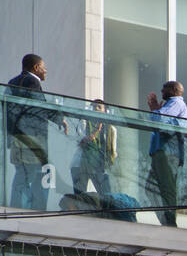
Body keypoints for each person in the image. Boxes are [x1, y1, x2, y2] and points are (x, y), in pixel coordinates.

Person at [6, 54, 59, 210]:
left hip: (18, 139)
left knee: (24, 173)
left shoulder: (12, 83)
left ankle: (22, 206)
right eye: (44, 67)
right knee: (38, 173)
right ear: (36, 68)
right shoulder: (32, 82)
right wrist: (58, 117)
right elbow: (39, 108)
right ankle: (35, 208)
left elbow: (9, 112)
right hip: (31, 139)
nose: (46, 71)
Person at [147, 80, 187, 226]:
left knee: (167, 188)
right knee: (150, 188)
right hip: (161, 151)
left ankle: (170, 222)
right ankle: (166, 220)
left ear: (174, 90)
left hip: (168, 152)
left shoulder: (176, 102)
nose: (161, 91)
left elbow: (157, 119)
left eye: (164, 89)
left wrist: (153, 109)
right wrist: (156, 109)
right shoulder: (168, 105)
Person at [72, 99, 116, 197]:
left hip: (100, 165)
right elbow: (82, 141)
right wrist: (96, 131)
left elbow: (112, 151)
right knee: (79, 196)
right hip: (81, 164)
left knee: (106, 195)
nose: (96, 109)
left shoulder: (111, 129)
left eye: (99, 107)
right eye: (94, 106)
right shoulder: (84, 123)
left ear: (105, 111)